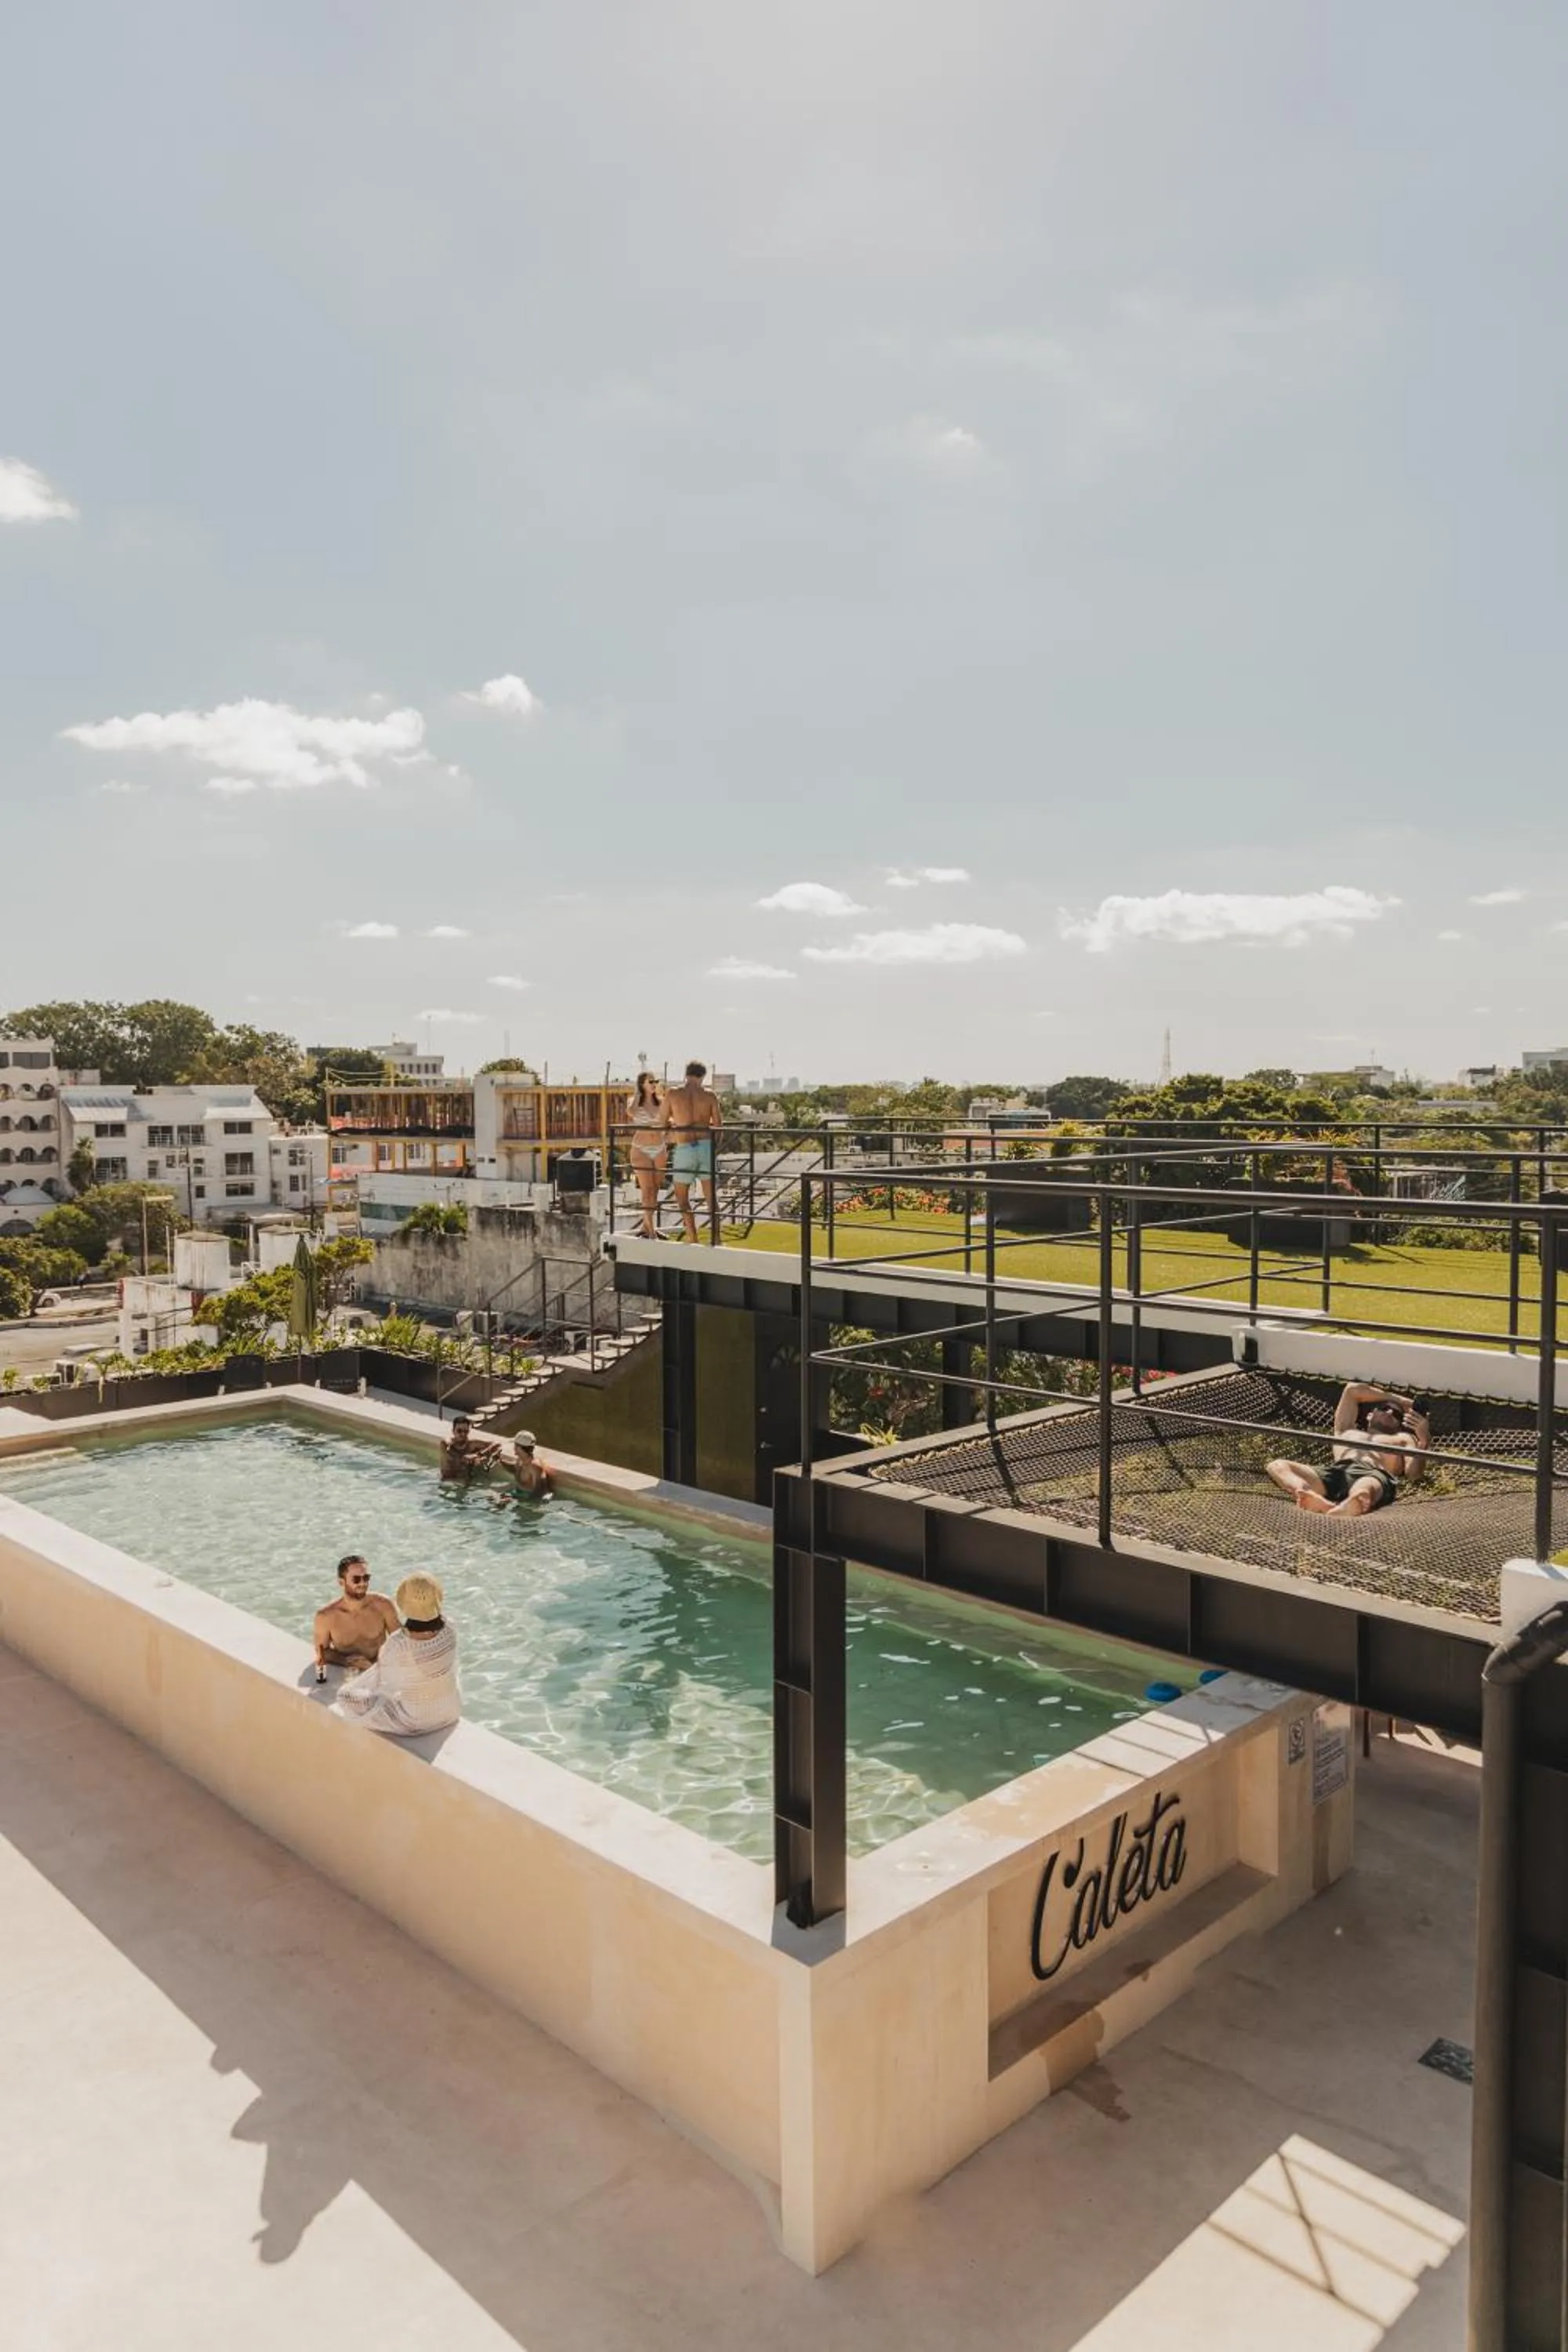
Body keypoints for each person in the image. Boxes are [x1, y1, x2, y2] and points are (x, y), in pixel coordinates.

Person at [1265, 1381, 1430, 1516]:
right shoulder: (1345, 1429)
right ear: (1370, 1415)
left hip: (1374, 1474)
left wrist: (1423, 1441)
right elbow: (1352, 1390)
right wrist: (1402, 1402)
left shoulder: (1403, 1439)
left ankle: (1354, 1503)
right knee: (1277, 1465)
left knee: (1366, 1487)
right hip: (1336, 1472)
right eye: (1384, 1408)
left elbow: (1414, 1474)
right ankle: (1306, 1494)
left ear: (1399, 1424)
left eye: (1396, 1414)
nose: (1389, 1412)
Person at [330, 1573, 461, 1738]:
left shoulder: (398, 1643)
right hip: (451, 1711)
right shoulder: (450, 1627)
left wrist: (366, 1668)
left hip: (416, 1721)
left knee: (345, 1697)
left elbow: (385, 1684)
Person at [662, 1058, 722, 1243]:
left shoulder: (673, 1094)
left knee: (682, 1197)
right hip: (705, 1146)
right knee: (711, 1198)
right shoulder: (710, 1095)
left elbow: (661, 1122)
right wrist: (714, 1148)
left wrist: (674, 1124)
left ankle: (692, 1237)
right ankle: (716, 1238)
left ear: (686, 1074)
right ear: (702, 1076)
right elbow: (719, 1126)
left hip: (684, 1147)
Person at [313, 1555, 400, 1682]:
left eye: (366, 1578)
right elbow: (321, 1651)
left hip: (382, 1672)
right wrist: (346, 1661)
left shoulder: (383, 1605)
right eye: (356, 1579)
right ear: (341, 1582)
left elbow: (400, 1641)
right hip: (350, 1676)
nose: (363, 1583)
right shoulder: (326, 1617)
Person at [626, 1072, 667, 1240]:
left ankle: (647, 1226)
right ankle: (651, 1232)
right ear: (642, 1084)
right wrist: (637, 1093)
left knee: (655, 1190)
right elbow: (631, 1112)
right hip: (641, 1149)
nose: (654, 1084)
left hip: (659, 1148)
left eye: (656, 1081)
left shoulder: (662, 1102)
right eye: (650, 1081)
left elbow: (669, 1119)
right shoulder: (634, 1101)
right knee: (647, 1189)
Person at [441, 1414, 502, 1480]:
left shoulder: (472, 1445)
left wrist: (478, 1455)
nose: (463, 1434)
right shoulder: (447, 1444)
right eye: (459, 1431)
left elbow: (496, 1443)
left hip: (464, 1481)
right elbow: (447, 1443)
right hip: (447, 1481)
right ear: (453, 1431)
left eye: (466, 1431)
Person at [510, 1429, 554, 1497]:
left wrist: (514, 1499)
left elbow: (540, 1493)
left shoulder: (535, 1467)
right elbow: (514, 1469)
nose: (514, 1448)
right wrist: (500, 1460)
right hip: (520, 1495)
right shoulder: (520, 1460)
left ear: (519, 1448)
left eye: (515, 1445)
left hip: (529, 1502)